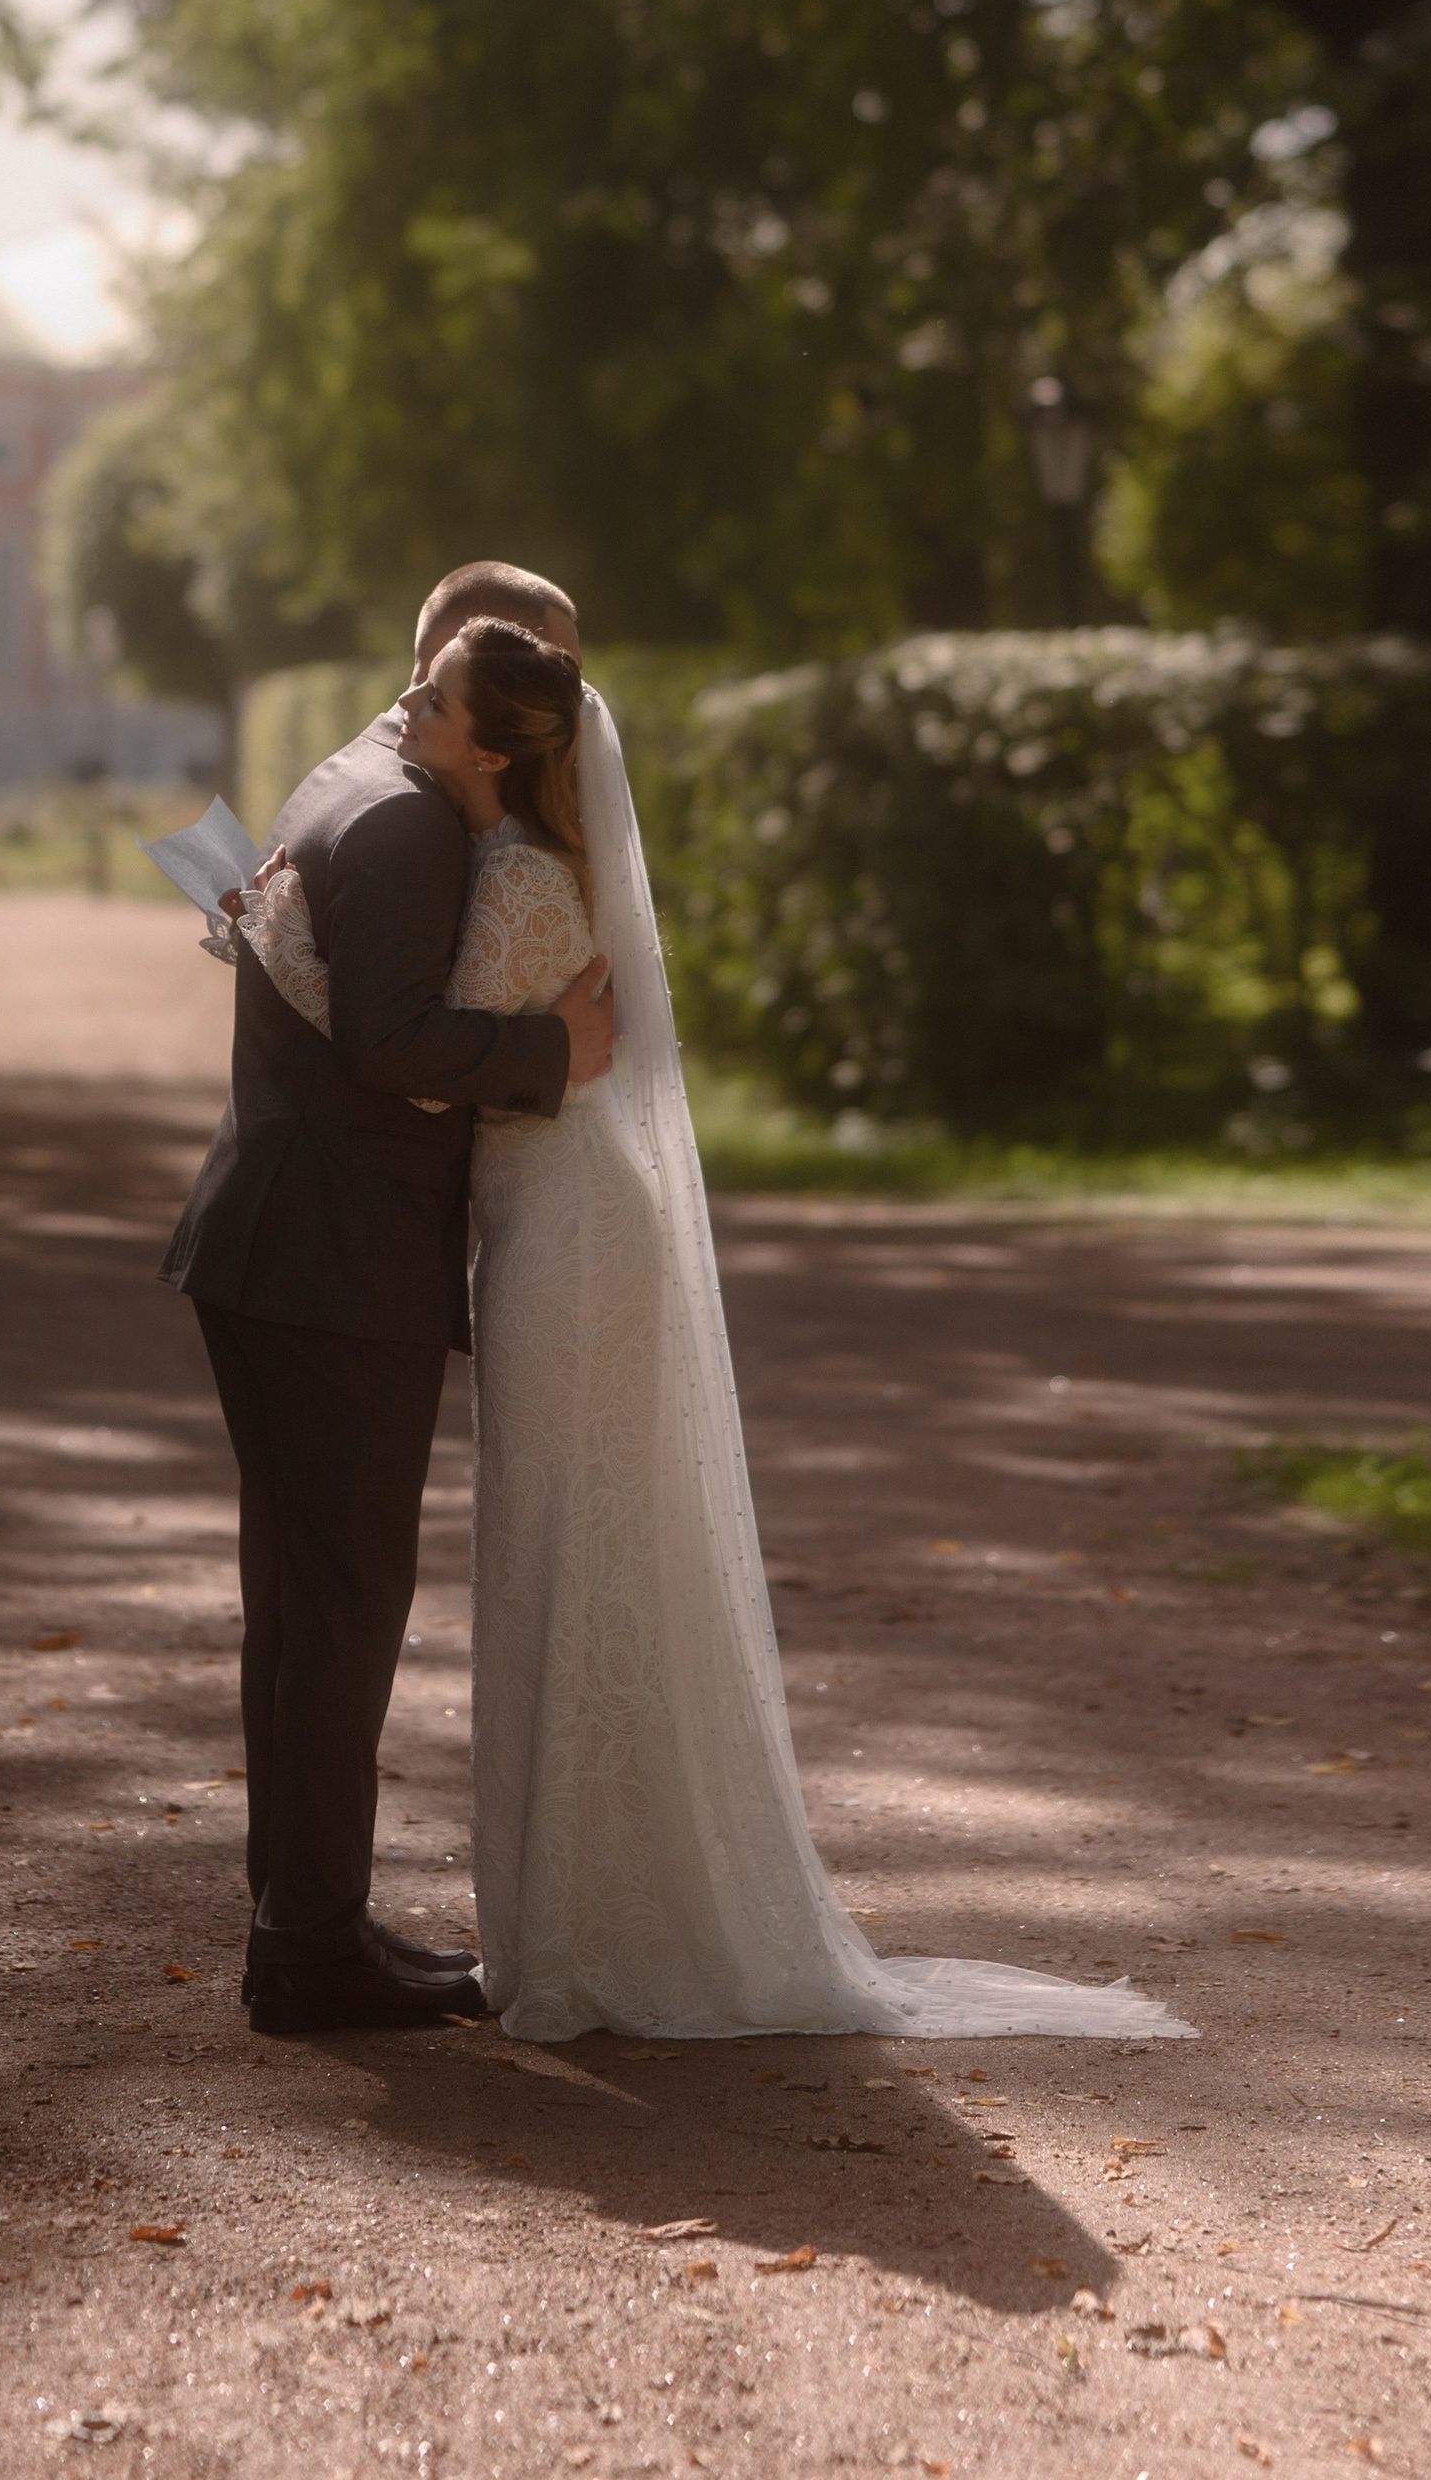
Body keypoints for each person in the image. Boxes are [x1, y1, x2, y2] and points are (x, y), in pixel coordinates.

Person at [238, 617, 1192, 2047]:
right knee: (532, 1559)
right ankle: (472, 1917)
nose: (404, 703)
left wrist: (297, 957)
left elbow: (429, 1056)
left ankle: (581, 1915)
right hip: (528, 1230)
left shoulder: (509, 871)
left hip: (566, 1237)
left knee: (578, 1550)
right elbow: (421, 1041)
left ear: (492, 746)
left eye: (431, 697)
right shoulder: (463, 838)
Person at [160, 564, 617, 2036]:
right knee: (343, 1607)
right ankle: (309, 1945)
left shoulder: (339, 773)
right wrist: (556, 1059)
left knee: (301, 1605)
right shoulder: (418, 818)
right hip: (335, 1260)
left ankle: (305, 1924)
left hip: (273, 1242)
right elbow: (391, 1040)